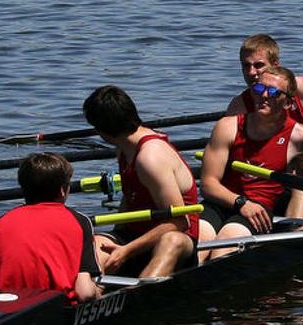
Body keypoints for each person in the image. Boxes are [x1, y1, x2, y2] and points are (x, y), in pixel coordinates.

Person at [82, 85, 209, 277]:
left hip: (177, 240)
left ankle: (141, 293)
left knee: (171, 241)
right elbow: (129, 197)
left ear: (103, 132)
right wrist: (114, 240)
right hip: (137, 238)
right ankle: (91, 296)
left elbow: (180, 222)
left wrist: (125, 251)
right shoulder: (124, 147)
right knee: (96, 245)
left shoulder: (150, 158)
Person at [201, 67, 303, 256]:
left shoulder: (300, 136)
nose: (263, 95)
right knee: (195, 245)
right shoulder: (227, 126)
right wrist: (241, 203)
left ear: (288, 102)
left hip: (259, 212)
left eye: (272, 92)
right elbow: (207, 185)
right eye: (258, 89)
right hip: (221, 203)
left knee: (222, 247)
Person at [0, 153, 102, 302]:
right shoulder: (80, 222)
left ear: (23, 188)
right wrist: (99, 291)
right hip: (55, 312)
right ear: (63, 190)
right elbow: (84, 292)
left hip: (3, 313)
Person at [224, 34, 303, 171]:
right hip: (266, 181)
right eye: (246, 66)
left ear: (275, 65)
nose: (251, 72)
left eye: (258, 65)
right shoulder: (238, 106)